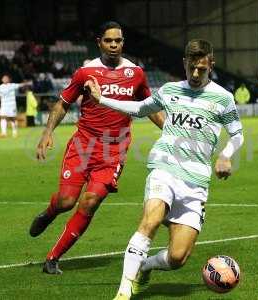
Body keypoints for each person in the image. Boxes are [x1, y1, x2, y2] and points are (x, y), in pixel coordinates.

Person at [85, 39, 244, 300]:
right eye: (191, 67)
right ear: (184, 63)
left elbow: (237, 134)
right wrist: (102, 99)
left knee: (178, 257)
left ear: (211, 65)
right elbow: (140, 108)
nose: (195, 74)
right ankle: (123, 293)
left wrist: (226, 155)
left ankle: (145, 266)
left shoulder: (224, 98)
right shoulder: (170, 90)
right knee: (150, 221)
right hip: (164, 168)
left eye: (201, 69)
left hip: (196, 182)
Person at [28, 21, 164, 275]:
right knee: (67, 201)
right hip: (83, 146)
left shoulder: (136, 73)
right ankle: (50, 212)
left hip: (113, 152)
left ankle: (53, 258)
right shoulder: (85, 72)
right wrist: (47, 133)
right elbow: (62, 104)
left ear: (123, 43)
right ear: (99, 42)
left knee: (89, 202)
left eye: (118, 41)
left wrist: (169, 130)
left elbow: (148, 107)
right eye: (109, 41)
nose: (114, 45)